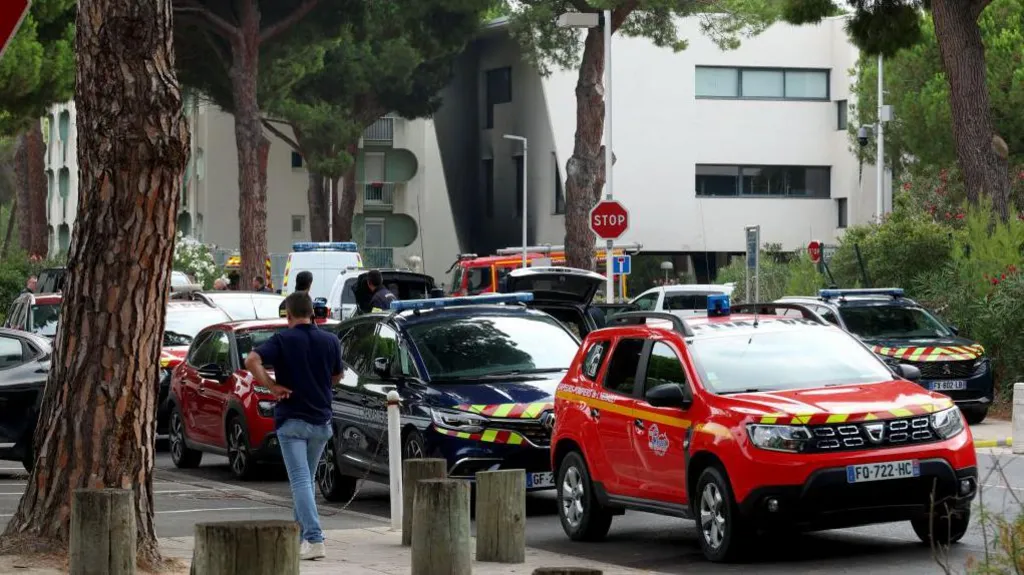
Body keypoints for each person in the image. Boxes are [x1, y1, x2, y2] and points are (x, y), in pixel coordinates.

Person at [245, 292, 340, 561]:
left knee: (300, 480)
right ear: (312, 313)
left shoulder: (282, 339)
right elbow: (337, 374)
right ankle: (300, 538)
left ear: (288, 315)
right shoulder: (331, 340)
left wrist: (271, 386)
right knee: (307, 481)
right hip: (321, 419)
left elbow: (251, 360)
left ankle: (314, 537)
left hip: (292, 419)